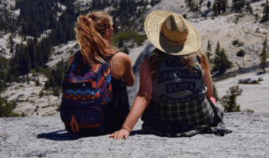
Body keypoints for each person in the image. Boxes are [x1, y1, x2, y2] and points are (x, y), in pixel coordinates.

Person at [110, 10, 231, 139]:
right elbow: (208, 92)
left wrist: (126, 128)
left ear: (160, 38)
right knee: (211, 101)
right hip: (201, 119)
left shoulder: (150, 61)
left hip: (164, 122)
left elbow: (144, 96)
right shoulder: (200, 57)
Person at [67, 11, 135, 134]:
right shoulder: (120, 58)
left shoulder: (74, 58)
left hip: (80, 123)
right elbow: (130, 83)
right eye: (112, 27)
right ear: (108, 31)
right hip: (113, 125)